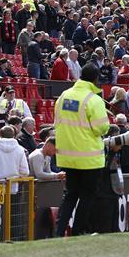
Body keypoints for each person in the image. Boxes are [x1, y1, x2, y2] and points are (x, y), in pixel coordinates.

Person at [54, 62, 110, 237]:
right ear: (95, 79)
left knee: (70, 195)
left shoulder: (64, 95)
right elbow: (101, 129)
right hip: (89, 158)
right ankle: (78, 231)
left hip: (67, 157)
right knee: (87, 196)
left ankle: (59, 230)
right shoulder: (94, 99)